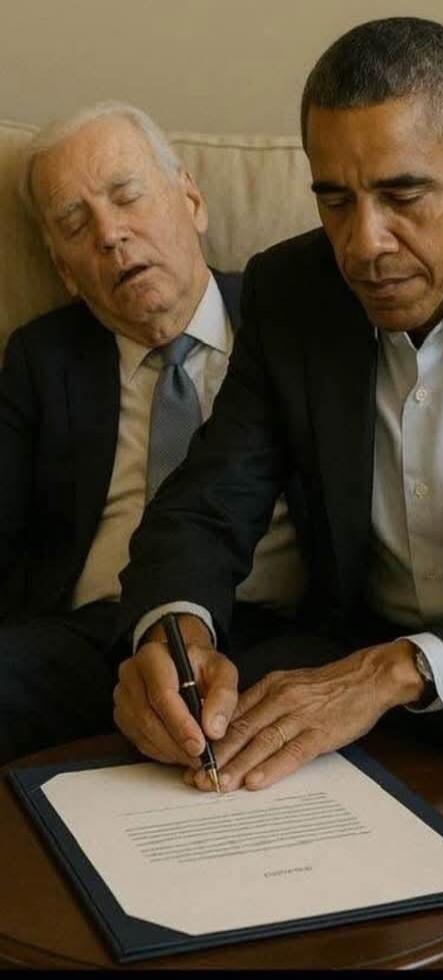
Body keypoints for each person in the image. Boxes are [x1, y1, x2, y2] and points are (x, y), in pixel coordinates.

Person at [114, 19, 443, 970]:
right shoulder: (290, 290)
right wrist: (175, 631)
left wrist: (394, 669)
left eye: (403, 195)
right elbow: (207, 504)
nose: (365, 243)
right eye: (335, 199)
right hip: (348, 642)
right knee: (225, 728)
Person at [0, 101, 303, 766]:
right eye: (76, 224)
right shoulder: (42, 359)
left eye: (126, 196)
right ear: (64, 272)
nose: (110, 234)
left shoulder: (289, 323)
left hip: (266, 630)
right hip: (90, 639)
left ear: (190, 198)